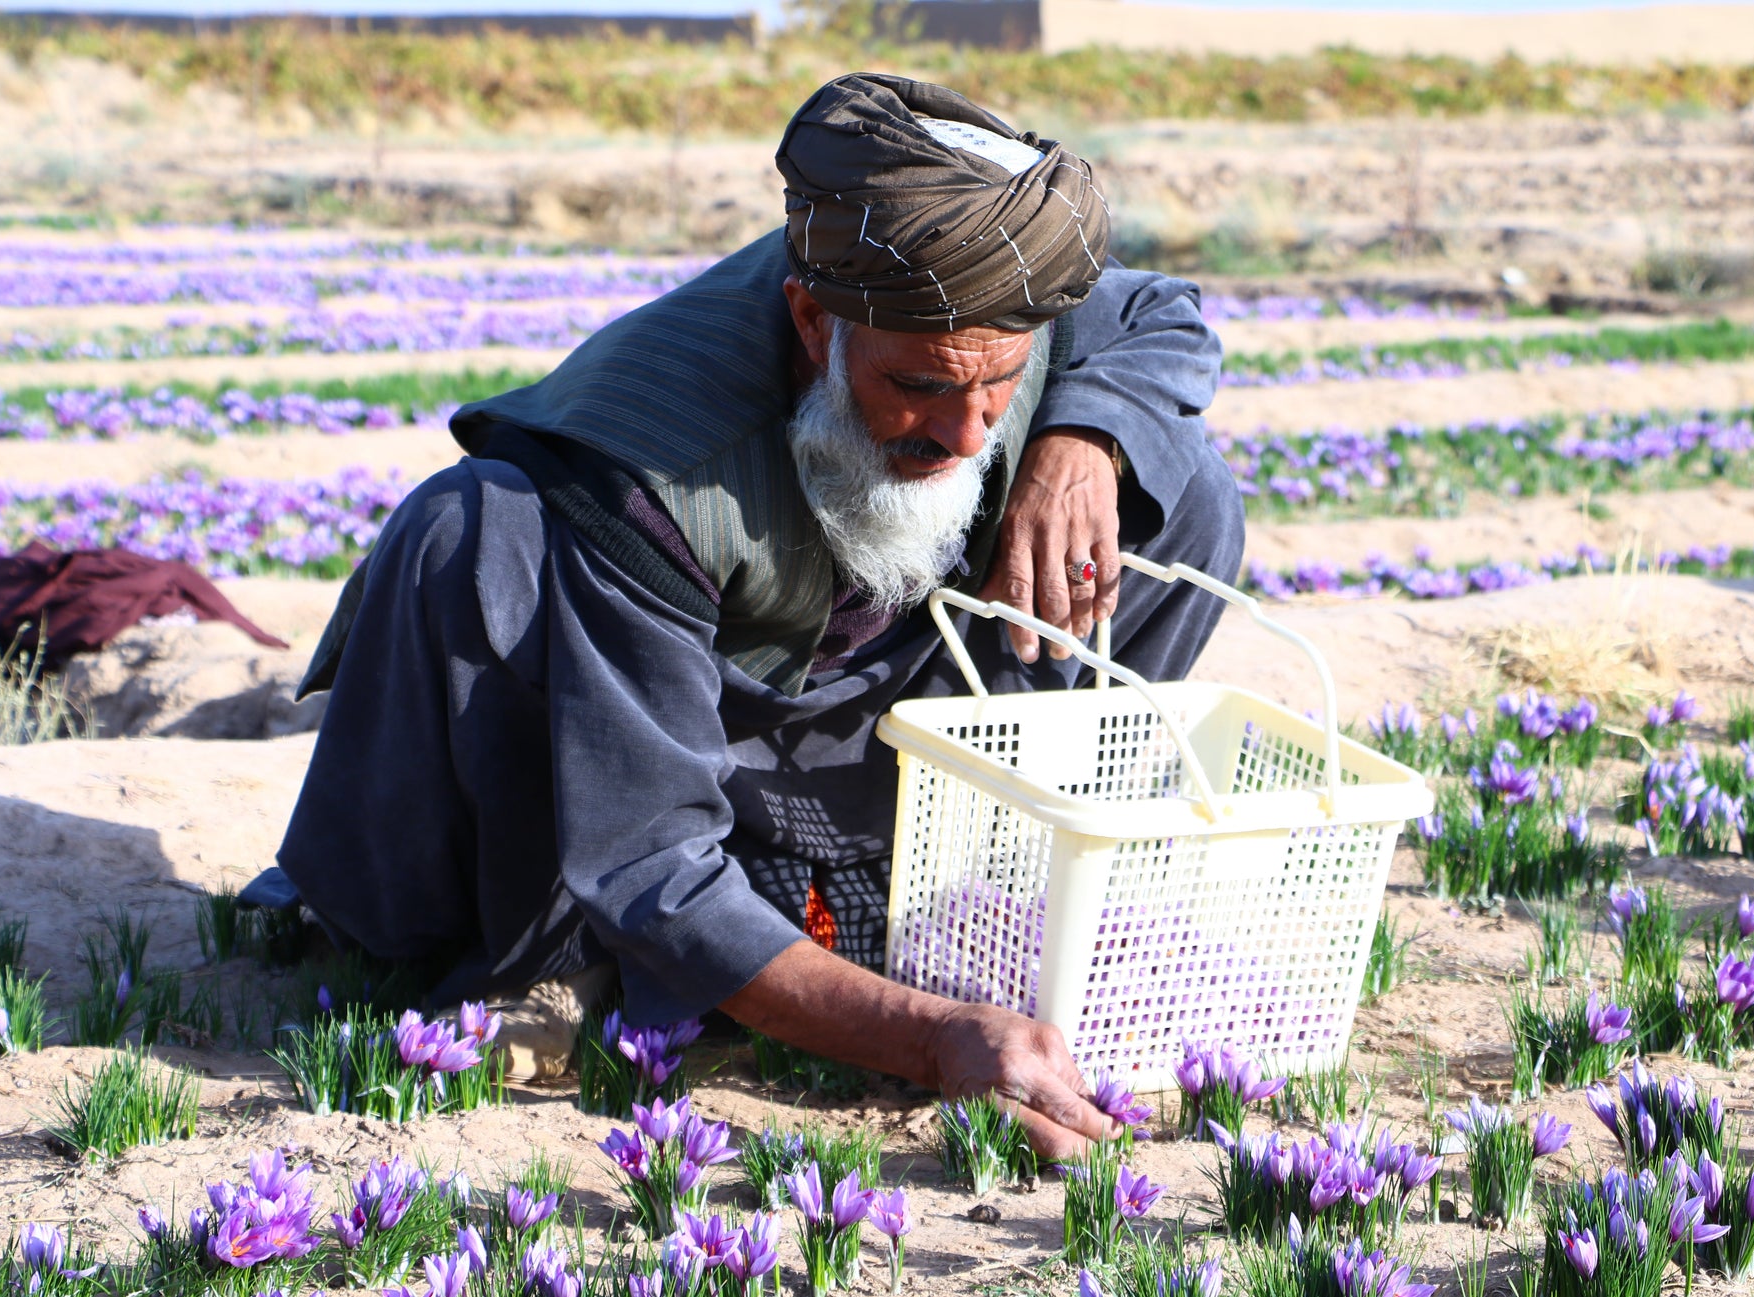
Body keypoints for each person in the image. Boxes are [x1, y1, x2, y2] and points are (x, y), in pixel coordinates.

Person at [272, 73, 1243, 1157]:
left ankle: (969, 899)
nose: (967, 436)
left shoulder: (1000, 284)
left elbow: (1163, 317)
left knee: (1182, 489)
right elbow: (650, 857)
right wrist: (933, 1040)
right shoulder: (654, 467)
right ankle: (553, 956)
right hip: (662, 724)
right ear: (814, 321)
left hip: (867, 696)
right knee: (474, 527)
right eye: (920, 386)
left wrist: (1082, 439)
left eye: (998, 386)